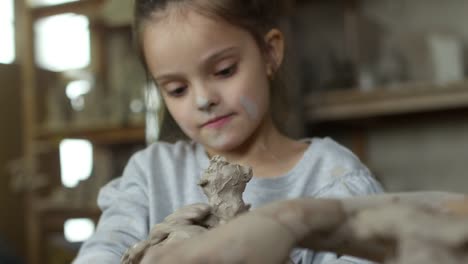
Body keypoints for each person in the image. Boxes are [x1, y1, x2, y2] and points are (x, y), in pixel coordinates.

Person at [73, 0, 383, 263]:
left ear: (270, 53)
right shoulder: (151, 176)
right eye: (177, 89)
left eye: (224, 71)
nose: (204, 99)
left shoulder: (332, 181)